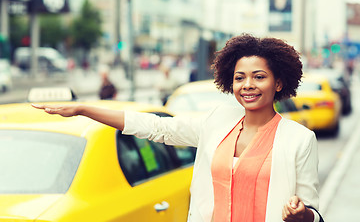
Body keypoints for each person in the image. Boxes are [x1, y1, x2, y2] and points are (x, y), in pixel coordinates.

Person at [32, 33, 323, 222]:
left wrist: (301, 215)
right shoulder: (217, 121)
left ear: (279, 82)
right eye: (239, 78)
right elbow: (158, 128)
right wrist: (85, 109)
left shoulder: (299, 139)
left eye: (259, 77)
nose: (247, 85)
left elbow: (312, 212)